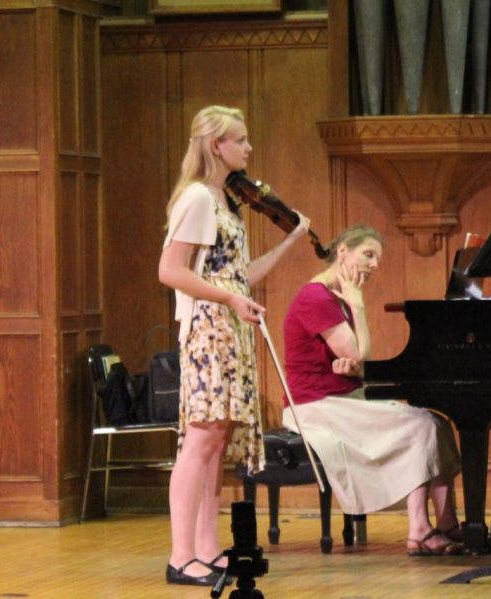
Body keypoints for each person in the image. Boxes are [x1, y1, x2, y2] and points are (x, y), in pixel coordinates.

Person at [158, 105, 311, 585]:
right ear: (215, 145)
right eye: (240, 140)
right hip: (209, 330)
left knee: (217, 442)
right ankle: (181, 555)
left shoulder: (225, 201)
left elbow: (239, 276)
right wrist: (228, 298)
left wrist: (291, 240)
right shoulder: (198, 198)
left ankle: (206, 548)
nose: (248, 148)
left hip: (230, 327)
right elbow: (170, 270)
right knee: (200, 439)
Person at [281, 224, 464, 556]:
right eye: (368, 255)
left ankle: (448, 521)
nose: (374, 264)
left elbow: (354, 359)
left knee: (438, 423)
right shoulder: (316, 297)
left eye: (376, 258)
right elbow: (358, 351)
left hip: (340, 398)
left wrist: (353, 365)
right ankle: (419, 529)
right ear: (342, 252)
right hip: (316, 406)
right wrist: (358, 305)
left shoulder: (334, 298)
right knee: (420, 425)